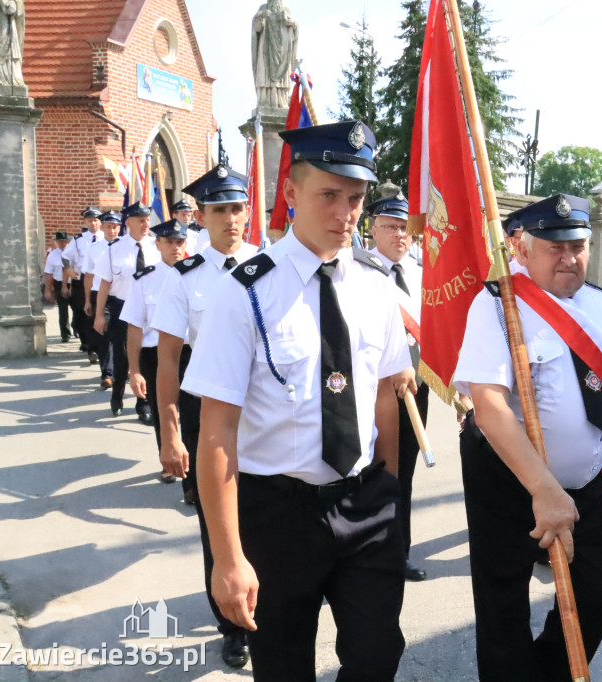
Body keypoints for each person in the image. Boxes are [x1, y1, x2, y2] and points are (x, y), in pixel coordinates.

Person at [181, 120, 415, 681]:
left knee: (377, 655)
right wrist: (228, 557)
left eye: (355, 198)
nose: (346, 214)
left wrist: (389, 491)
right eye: (328, 196)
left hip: (364, 504)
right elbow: (216, 431)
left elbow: (386, 396)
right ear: (290, 194)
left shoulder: (376, 285)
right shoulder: (245, 293)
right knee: (284, 667)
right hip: (278, 513)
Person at [453, 193, 602, 681]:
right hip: (510, 479)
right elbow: (489, 408)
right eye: (554, 246)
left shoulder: (599, 304)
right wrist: (543, 489)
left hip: (587, 483)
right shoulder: (496, 304)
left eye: (577, 245)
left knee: (599, 594)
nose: (569, 257)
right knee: (503, 607)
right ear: (520, 247)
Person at [151, 166, 259, 667]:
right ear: (202, 217)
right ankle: (232, 625)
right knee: (219, 519)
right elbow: (169, 362)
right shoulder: (183, 279)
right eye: (219, 210)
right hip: (205, 403)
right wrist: (170, 434)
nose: (230, 219)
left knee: (269, 513)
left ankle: (269, 608)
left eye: (237, 208)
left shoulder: (271, 265)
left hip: (262, 401)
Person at [368, 194, 429, 582]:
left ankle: (397, 551)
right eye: (390, 225)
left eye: (405, 226)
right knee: (371, 471)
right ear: (372, 228)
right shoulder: (357, 272)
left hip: (414, 385)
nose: (399, 234)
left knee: (402, 473)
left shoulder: (424, 272)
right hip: (372, 389)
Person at [121, 219, 188, 460]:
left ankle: (193, 480)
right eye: (169, 242)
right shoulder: (144, 280)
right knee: (163, 412)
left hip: (192, 353)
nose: (175, 247)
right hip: (155, 355)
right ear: (157, 244)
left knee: (193, 415)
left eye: (180, 242)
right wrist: (134, 370)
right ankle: (168, 457)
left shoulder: (198, 276)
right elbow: (135, 327)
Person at [93, 203, 158, 419]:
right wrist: (99, 314)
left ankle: (143, 403)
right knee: (122, 357)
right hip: (122, 308)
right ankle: (117, 395)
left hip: (150, 309)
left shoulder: (157, 246)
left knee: (146, 355)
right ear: (128, 223)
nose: (145, 224)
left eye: (147, 219)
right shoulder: (113, 250)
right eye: (141, 220)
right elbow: (104, 284)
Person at [84, 211, 121, 390]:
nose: (112, 231)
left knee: (121, 336)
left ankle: (123, 368)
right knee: (103, 334)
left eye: (115, 227)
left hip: (121, 296)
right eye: (109, 227)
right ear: (102, 227)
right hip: (100, 295)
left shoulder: (126, 247)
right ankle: (108, 373)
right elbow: (89, 276)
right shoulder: (94, 249)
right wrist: (87, 301)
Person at [63, 208, 103, 361]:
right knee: (84, 314)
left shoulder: (107, 238)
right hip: (82, 280)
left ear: (100, 221)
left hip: (102, 280)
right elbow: (65, 256)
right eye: (90, 220)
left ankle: (99, 345)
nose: (93, 223)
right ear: (85, 222)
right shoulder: (79, 239)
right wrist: (68, 269)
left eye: (96, 220)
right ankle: (89, 346)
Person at [43, 232, 72, 341]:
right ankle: (65, 334)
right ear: (56, 242)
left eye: (65, 241)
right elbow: (49, 273)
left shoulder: (73, 253)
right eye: (60, 241)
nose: (63, 243)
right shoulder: (53, 255)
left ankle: (77, 327)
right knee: (63, 309)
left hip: (74, 284)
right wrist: (48, 289)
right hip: (59, 283)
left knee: (78, 309)